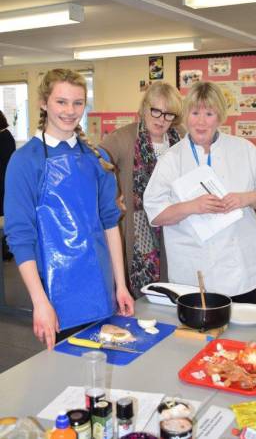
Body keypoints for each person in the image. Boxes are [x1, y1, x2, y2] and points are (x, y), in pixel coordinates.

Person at [4, 68, 134, 350]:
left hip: (102, 286)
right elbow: (20, 238)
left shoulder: (96, 158)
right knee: (69, 374)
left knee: (109, 364)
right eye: (61, 101)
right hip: (55, 292)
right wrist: (40, 302)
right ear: (43, 103)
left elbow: (110, 224)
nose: (70, 110)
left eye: (77, 102)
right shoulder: (25, 161)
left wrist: (120, 285)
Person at [144, 81, 256, 304]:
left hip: (239, 268)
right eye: (195, 112)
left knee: (241, 333)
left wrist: (245, 198)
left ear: (220, 116)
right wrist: (192, 207)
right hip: (192, 270)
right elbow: (156, 214)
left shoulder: (243, 149)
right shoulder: (171, 159)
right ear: (186, 115)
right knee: (196, 336)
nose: (200, 121)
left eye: (209, 113)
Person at [102, 82, 183, 298]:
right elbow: (95, 167)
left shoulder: (181, 137)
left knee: (176, 283)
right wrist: (112, 196)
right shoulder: (123, 138)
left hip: (176, 224)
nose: (161, 119)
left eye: (168, 114)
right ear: (144, 108)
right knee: (144, 294)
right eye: (155, 111)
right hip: (139, 228)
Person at [0, 110, 16, 260]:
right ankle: (5, 249)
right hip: (6, 180)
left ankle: (5, 250)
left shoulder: (3, 137)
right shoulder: (8, 136)